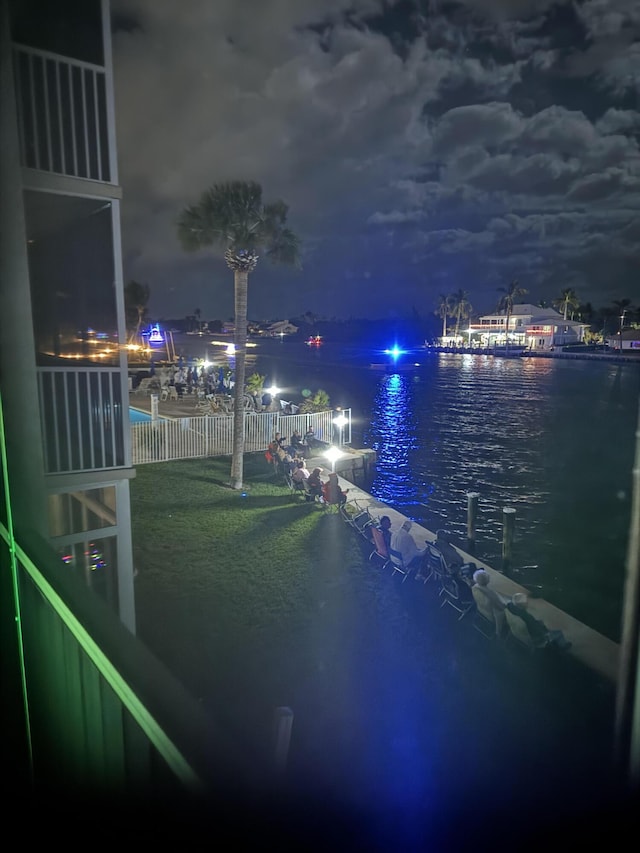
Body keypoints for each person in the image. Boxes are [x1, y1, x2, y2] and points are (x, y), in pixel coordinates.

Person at [507, 593, 572, 650]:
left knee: (541, 624)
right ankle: (562, 647)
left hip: (529, 634)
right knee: (558, 633)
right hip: (537, 638)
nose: (527, 603)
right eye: (525, 602)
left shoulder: (513, 608)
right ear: (521, 605)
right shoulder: (526, 616)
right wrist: (545, 632)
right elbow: (536, 628)